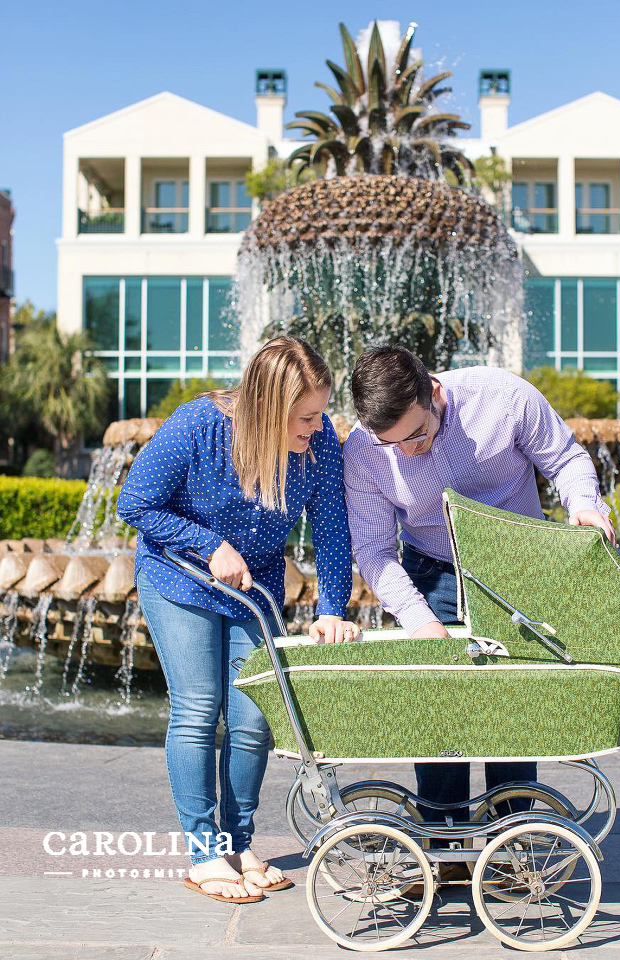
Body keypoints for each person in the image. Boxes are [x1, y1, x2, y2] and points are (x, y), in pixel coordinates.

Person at [343, 346, 615, 875]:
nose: (410, 451)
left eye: (417, 434)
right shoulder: (364, 451)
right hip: (434, 569)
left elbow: (565, 459)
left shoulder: (502, 396)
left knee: (510, 708)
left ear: (434, 391)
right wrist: (419, 620)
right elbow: (374, 550)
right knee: (440, 708)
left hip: (518, 566)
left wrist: (583, 505)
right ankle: (443, 846)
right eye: (393, 444)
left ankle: (513, 843)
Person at [117, 336, 360, 903]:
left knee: (253, 720)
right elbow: (135, 502)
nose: (315, 427)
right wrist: (208, 544)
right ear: (268, 408)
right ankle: (205, 853)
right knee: (200, 709)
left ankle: (238, 842)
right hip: (179, 578)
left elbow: (331, 531)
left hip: (255, 590)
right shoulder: (198, 424)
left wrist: (330, 611)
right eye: (304, 417)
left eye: (320, 413)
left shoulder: (320, 443)